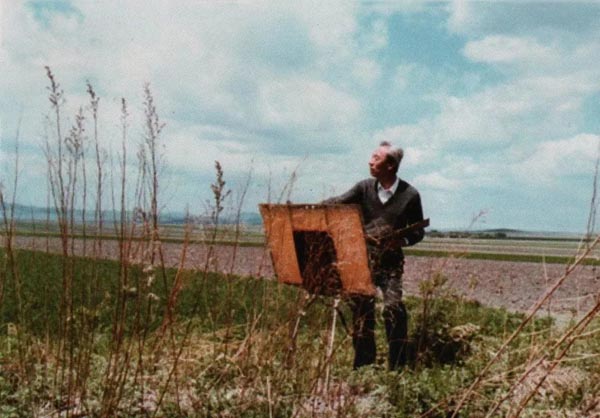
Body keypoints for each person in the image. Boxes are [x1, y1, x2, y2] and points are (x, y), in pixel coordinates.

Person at [323, 141, 425, 370]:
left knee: (393, 309)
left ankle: (397, 368)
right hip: (362, 262)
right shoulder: (364, 188)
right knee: (361, 312)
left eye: (376, 158)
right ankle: (363, 366)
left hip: (391, 265)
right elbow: (337, 202)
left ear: (391, 165)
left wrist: (403, 240)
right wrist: (313, 208)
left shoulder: (410, 195)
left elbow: (418, 231)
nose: (370, 161)